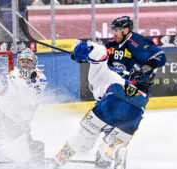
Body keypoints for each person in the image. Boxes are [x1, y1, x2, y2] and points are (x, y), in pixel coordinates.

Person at [48, 40, 164, 169]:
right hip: (136, 110)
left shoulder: (103, 72)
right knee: (109, 148)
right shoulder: (141, 91)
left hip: (112, 100)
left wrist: (86, 49)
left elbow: (101, 52)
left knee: (83, 136)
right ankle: (117, 149)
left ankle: (58, 161)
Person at [96, 16, 166, 168]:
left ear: (126, 30)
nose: (113, 33)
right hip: (120, 89)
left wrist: (144, 69)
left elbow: (161, 56)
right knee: (113, 124)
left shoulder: (138, 42)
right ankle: (112, 150)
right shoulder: (111, 46)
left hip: (137, 90)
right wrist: (84, 56)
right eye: (112, 30)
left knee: (114, 121)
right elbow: (99, 58)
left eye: (116, 30)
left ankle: (109, 151)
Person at [0, 48, 47, 169]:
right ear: (18, 62)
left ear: (34, 63)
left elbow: (26, 98)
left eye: (28, 61)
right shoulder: (13, 76)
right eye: (23, 61)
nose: (25, 64)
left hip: (15, 117)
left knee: (24, 142)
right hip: (0, 114)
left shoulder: (39, 78)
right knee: (3, 141)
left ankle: (33, 160)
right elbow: (3, 96)